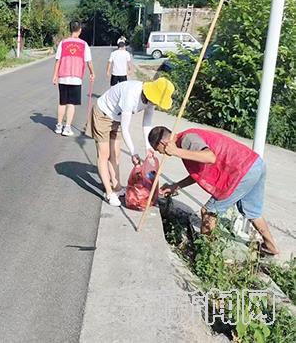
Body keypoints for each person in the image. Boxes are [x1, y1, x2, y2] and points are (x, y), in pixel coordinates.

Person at [148, 126, 280, 256]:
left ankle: (206, 253)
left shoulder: (187, 139)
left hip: (240, 170)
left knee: (208, 212)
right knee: (252, 211)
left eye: (158, 149)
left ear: (162, 143)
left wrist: (176, 151)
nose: (160, 153)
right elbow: (200, 172)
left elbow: (209, 157)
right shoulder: (186, 141)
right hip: (254, 164)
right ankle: (271, 247)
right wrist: (175, 186)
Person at [85, 77, 174, 206]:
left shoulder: (151, 101)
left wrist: (148, 147)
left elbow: (147, 124)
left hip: (117, 118)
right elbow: (126, 128)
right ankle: (109, 193)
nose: (155, 104)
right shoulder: (131, 95)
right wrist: (134, 152)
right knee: (104, 154)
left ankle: (117, 187)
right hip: (103, 114)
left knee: (116, 154)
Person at [52, 21, 95, 136]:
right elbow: (88, 61)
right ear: (80, 30)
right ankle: (67, 128)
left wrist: (55, 75)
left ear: (70, 29)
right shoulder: (83, 44)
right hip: (76, 78)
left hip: (63, 76)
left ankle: (58, 126)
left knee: (62, 102)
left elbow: (58, 60)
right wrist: (92, 73)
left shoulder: (63, 43)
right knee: (71, 103)